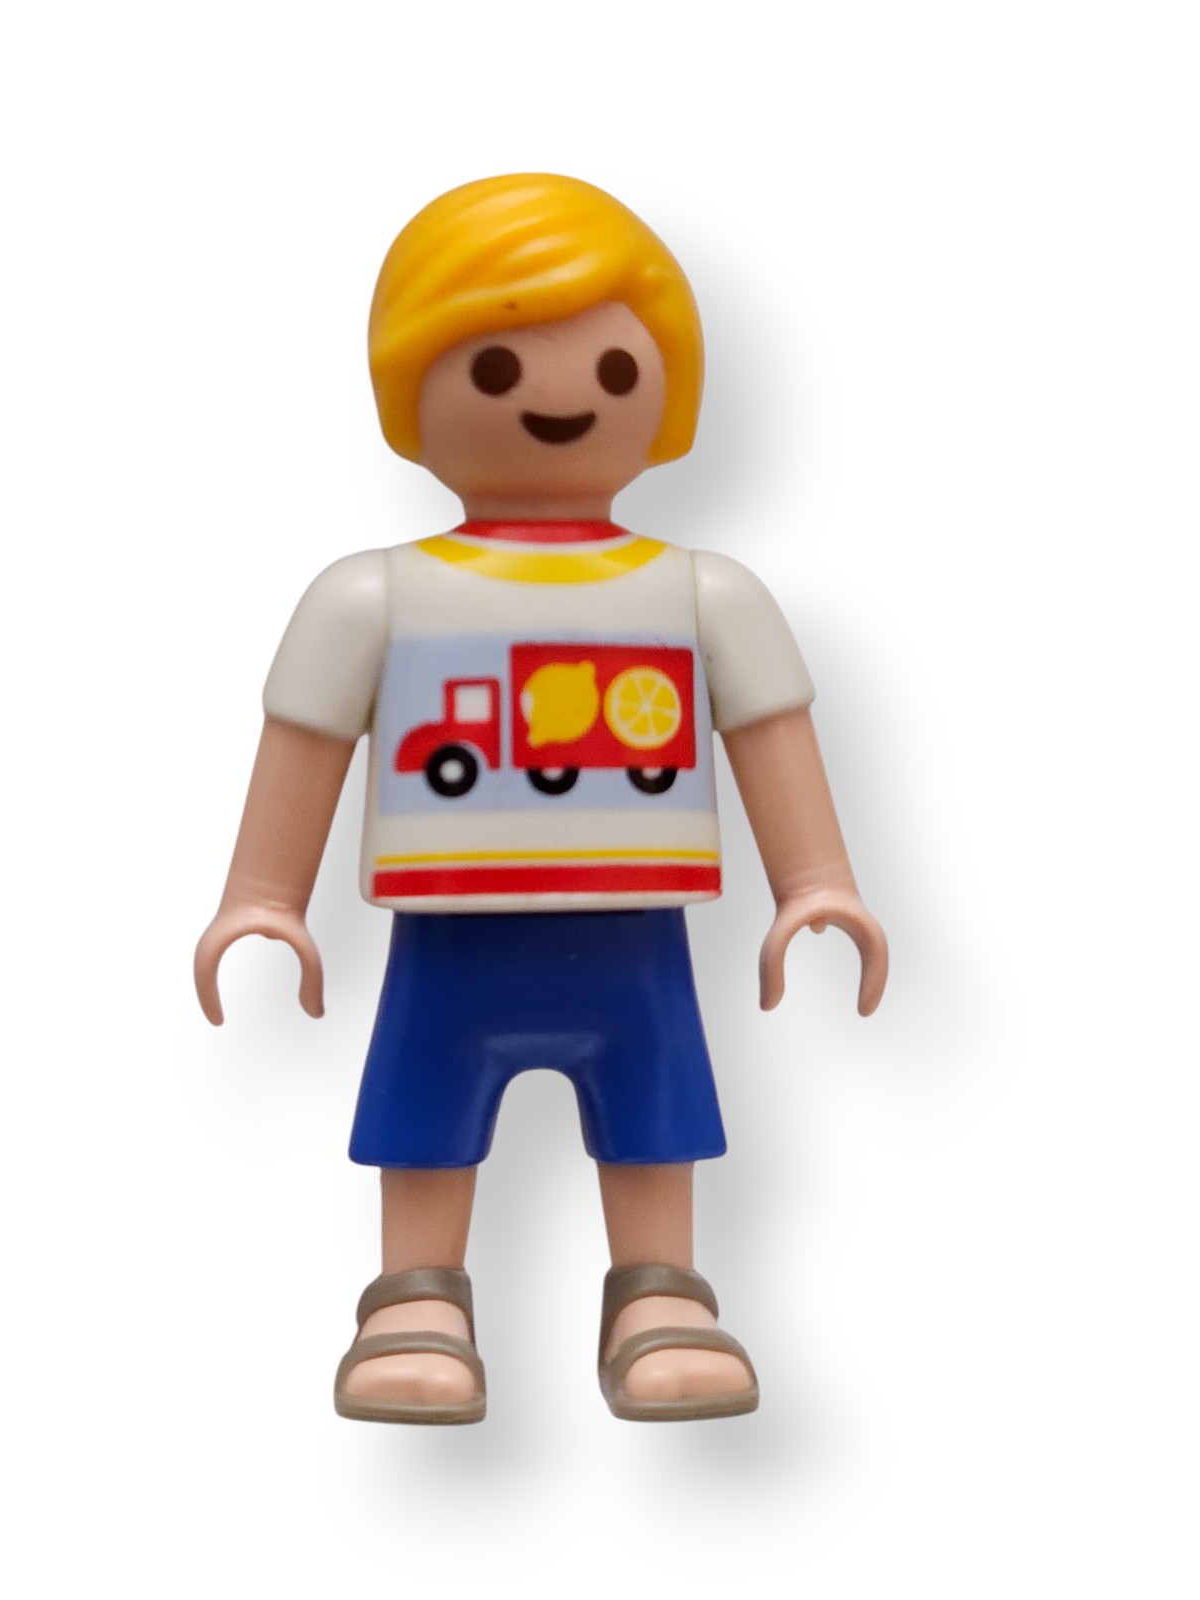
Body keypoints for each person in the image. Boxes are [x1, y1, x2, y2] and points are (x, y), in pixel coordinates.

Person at [194, 173, 887, 1423]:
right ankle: (414, 1299)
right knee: (423, 1101)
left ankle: (660, 1293)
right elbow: (304, 743)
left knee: (655, 1102)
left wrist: (816, 883)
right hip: (447, 930)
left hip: (636, 931)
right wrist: (261, 897)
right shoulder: (370, 597)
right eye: (496, 367)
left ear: (669, 390)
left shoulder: (705, 593)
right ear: (409, 390)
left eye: (615, 369)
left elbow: (769, 732)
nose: (560, 398)